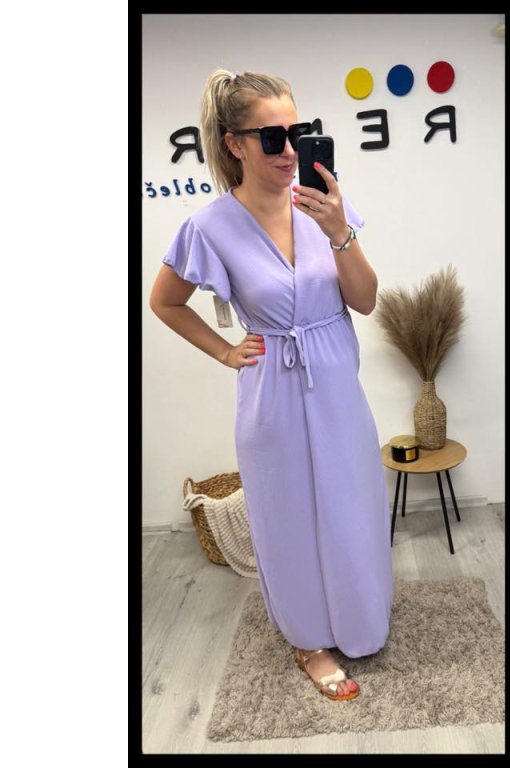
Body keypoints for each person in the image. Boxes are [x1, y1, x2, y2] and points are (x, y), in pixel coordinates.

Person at [150, 70, 392, 702]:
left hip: (336, 380)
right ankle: (309, 640)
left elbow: (365, 301)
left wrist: (339, 231)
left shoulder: (322, 205)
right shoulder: (208, 227)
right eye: (273, 136)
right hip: (272, 391)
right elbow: (165, 301)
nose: (290, 149)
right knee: (287, 516)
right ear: (234, 143)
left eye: (299, 131)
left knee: (353, 502)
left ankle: (359, 618)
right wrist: (226, 351)